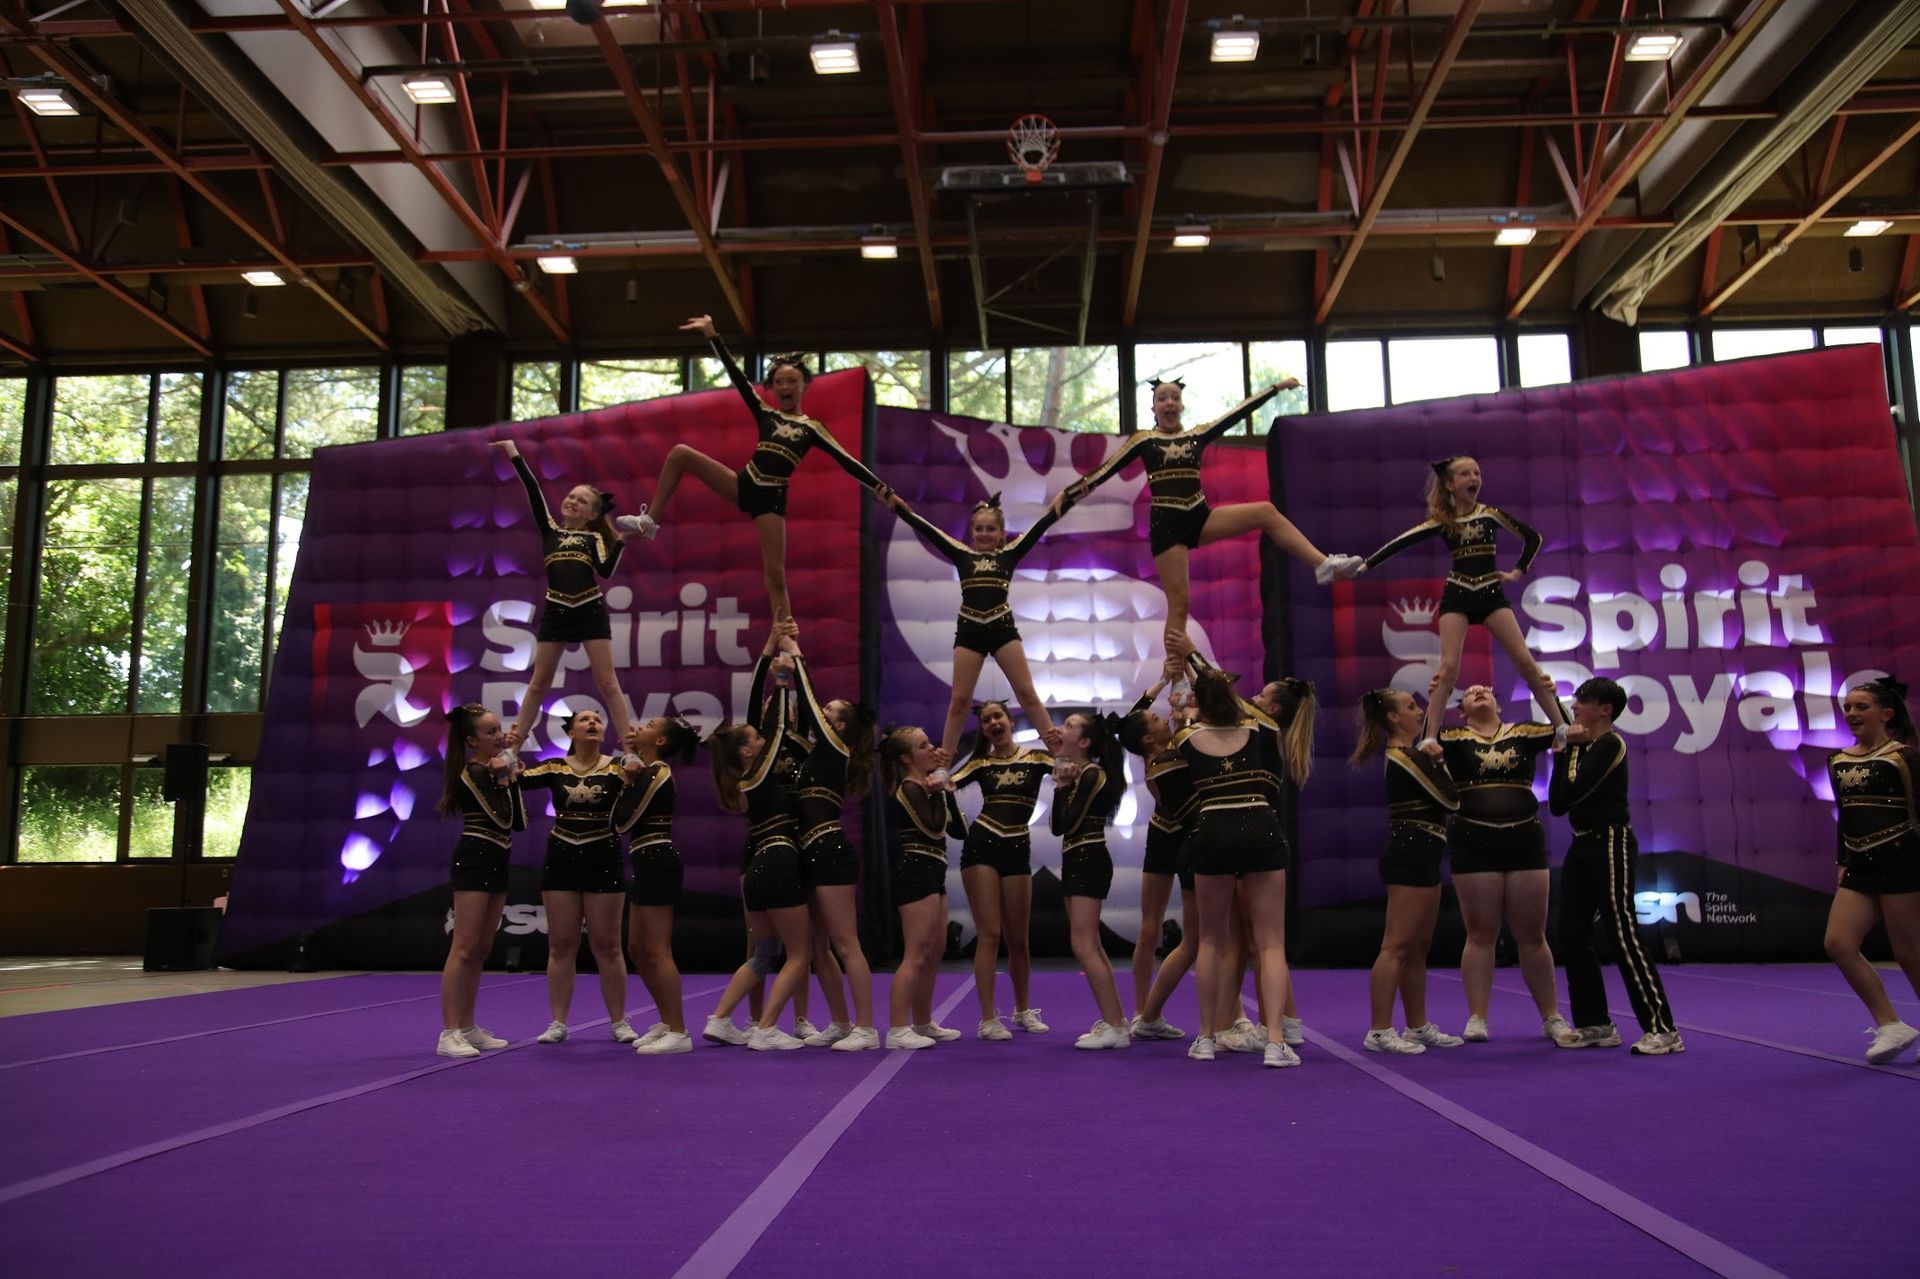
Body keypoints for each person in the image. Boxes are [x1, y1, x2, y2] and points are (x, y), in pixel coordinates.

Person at [1061, 377, 1362, 655]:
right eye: (1162, 398)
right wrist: (1068, 494)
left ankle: (1322, 564)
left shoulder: (1198, 434)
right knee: (1179, 605)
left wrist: (1275, 388)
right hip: (1168, 527)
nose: (1169, 403)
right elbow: (1106, 470)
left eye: (1174, 398)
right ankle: (1176, 678)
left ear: (1181, 406)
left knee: (1266, 512)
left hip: (1199, 516)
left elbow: (1237, 412)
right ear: (1153, 408)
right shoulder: (1144, 440)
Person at [625, 316, 891, 623]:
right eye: (779, 382)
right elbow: (737, 376)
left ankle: (787, 637)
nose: (785, 387)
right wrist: (713, 336)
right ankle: (650, 521)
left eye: (791, 381)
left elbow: (848, 461)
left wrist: (884, 490)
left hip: (770, 500)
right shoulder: (765, 413)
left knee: (775, 576)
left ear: (804, 384)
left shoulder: (812, 428)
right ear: (772, 388)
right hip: (744, 483)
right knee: (680, 453)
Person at [1361, 456, 1567, 745]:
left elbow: (1533, 538)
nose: (1474, 478)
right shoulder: (1443, 522)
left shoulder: (1490, 514)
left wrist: (1517, 572)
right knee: (1447, 670)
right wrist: (1364, 566)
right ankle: (1429, 738)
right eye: (1465, 474)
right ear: (1449, 485)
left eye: (1477, 473)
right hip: (1458, 595)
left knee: (1526, 663)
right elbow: (1401, 542)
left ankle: (1561, 726)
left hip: (1491, 595)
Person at [1176, 666, 1307, 1069]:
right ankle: (1275, 1041)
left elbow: (1176, 790)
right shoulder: (1260, 728)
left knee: (1211, 941)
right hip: (1259, 824)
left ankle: (1205, 1037)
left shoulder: (1185, 738)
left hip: (1212, 827)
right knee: (1270, 943)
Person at [887, 490, 1072, 760]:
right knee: (960, 701)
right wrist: (899, 508)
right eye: (979, 529)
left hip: (1002, 628)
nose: (984, 534)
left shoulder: (1010, 554)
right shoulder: (962, 554)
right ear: (972, 532)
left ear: (1002, 534)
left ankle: (1058, 752)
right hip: (970, 629)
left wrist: (1059, 505)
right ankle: (944, 763)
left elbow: (1040, 527)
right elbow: (927, 530)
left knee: (1026, 693)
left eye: (991, 529)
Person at [1551, 676, 1682, 1055]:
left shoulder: (1611, 744)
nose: (1574, 707)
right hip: (1581, 843)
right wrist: (1563, 753)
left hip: (1610, 840)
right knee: (1572, 932)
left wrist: (1571, 750)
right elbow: (1558, 805)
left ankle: (1662, 1028)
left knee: (1622, 930)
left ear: (1605, 710)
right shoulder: (1581, 748)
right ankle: (1595, 1023)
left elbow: (1576, 790)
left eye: (1582, 701)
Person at [1439, 683, 1575, 1045]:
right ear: (1461, 712)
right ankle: (1478, 1016)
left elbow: (1567, 729)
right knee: (1480, 933)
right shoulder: (1452, 736)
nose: (1479, 691)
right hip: (1474, 841)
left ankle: (1552, 1015)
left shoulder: (1524, 732)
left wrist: (1545, 690)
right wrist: (1439, 690)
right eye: (1470, 692)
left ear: (1499, 706)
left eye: (1485, 690)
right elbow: (1426, 738)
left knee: (1532, 934)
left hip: (1523, 840)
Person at [700, 657, 816, 1052]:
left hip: (757, 868)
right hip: (779, 860)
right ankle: (766, 1027)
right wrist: (782, 679)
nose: (764, 740)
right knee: (800, 954)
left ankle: (719, 1019)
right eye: (756, 738)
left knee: (764, 954)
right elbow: (779, 727)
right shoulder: (758, 774)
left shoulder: (740, 780)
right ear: (749, 752)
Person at [489, 439, 632, 751]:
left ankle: (630, 748)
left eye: (582, 501)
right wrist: (514, 453)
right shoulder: (550, 531)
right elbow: (533, 490)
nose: (573, 501)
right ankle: (513, 747)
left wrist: (621, 541)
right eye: (571, 496)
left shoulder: (593, 538)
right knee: (539, 682)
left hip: (590, 609)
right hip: (557, 610)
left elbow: (605, 571)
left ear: (592, 514)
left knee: (608, 683)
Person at [1351, 689, 1464, 1054]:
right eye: (1412, 707)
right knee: (1396, 946)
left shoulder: (1412, 754)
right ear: (1393, 718)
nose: (1420, 711)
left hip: (1426, 853)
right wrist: (1439, 760)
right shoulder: (1404, 756)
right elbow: (1451, 800)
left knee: (1417, 947)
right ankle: (1379, 1030)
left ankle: (1417, 1026)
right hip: (1409, 853)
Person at [787, 639, 882, 1051]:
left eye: (829, 711)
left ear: (840, 727)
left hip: (830, 851)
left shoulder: (835, 749)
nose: (821, 712)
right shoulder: (814, 753)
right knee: (817, 947)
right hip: (807, 852)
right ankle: (841, 1022)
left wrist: (797, 654)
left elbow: (808, 704)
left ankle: (867, 1027)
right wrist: (780, 678)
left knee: (845, 943)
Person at [519, 709, 634, 1045]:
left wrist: (636, 763)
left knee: (608, 945)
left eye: (597, 719)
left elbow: (645, 785)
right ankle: (558, 1021)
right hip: (562, 857)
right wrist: (509, 750)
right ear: (571, 732)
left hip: (604, 856)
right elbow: (515, 777)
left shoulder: (618, 767)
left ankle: (619, 1021)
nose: (592, 723)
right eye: (584, 720)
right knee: (561, 945)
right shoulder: (555, 767)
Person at [1822, 677, 1920, 1063]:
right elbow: (1844, 816)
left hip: (1901, 859)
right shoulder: (1837, 761)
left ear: (1886, 713)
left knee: (1909, 953)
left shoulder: (1904, 758)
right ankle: (1891, 1024)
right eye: (1847, 707)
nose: (1851, 713)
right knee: (1838, 943)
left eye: (1861, 706)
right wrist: (1842, 860)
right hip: (1860, 864)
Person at [950, 701, 1053, 1039]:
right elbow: (946, 783)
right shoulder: (980, 763)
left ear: (1010, 721)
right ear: (983, 729)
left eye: (998, 716)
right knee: (990, 934)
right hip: (982, 846)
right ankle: (987, 1019)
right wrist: (937, 773)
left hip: (1018, 848)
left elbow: (1069, 766)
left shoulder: (1036, 758)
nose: (993, 722)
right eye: (986, 720)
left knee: (1019, 939)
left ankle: (1022, 1010)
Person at [435, 703, 525, 1058]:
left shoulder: (496, 769)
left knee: (482, 949)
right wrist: (503, 778)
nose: (499, 736)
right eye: (490, 732)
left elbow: (519, 822)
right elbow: (501, 819)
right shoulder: (471, 772)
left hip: (498, 859)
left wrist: (509, 776)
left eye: (499, 729)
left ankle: (468, 1025)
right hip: (474, 858)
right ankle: (449, 1032)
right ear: (472, 740)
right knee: (464, 946)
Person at [614, 716, 702, 1056]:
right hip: (644, 861)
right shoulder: (645, 770)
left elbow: (622, 821)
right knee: (637, 949)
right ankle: (666, 1020)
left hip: (658, 860)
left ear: (660, 742)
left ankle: (679, 1031)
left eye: (649, 725)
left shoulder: (657, 771)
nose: (640, 727)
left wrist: (628, 780)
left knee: (658, 950)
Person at [1119, 665, 1197, 1040]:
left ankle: (1148, 1012)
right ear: (1148, 738)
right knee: (1150, 927)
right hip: (1168, 833)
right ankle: (1141, 1012)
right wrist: (1172, 687)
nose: (1161, 716)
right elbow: (1132, 722)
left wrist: (1167, 679)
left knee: (1193, 931)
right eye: (1155, 718)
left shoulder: (1170, 742)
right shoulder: (1165, 754)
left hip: (1180, 831)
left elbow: (1135, 718)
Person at [883, 725, 968, 1049]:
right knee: (916, 955)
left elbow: (959, 831)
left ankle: (921, 1022)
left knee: (934, 952)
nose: (932, 748)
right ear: (907, 758)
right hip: (915, 872)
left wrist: (947, 790)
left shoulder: (929, 786)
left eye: (929, 742)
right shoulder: (909, 788)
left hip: (934, 872)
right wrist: (939, 790)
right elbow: (933, 827)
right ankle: (897, 1028)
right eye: (923, 745)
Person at [1050, 711, 1131, 1050]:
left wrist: (1062, 785)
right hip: (1078, 857)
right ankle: (1117, 1021)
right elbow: (1059, 826)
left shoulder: (1092, 774)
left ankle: (1115, 1026)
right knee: (1091, 945)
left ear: (1084, 742)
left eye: (1068, 726)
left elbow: (1066, 823)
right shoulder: (1080, 772)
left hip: (1088, 857)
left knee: (1083, 946)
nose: (1060, 728)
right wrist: (1062, 783)